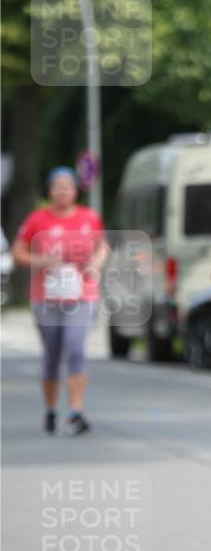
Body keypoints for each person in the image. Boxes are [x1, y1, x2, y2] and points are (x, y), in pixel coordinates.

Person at [11, 167, 108, 435]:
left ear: (76, 191)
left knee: (75, 348)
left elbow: (102, 246)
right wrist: (41, 260)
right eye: (58, 186)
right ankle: (51, 410)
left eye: (68, 186)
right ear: (49, 191)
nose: (63, 191)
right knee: (52, 354)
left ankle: (76, 412)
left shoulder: (89, 217)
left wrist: (96, 263)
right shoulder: (37, 219)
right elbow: (18, 251)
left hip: (81, 294)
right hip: (47, 296)